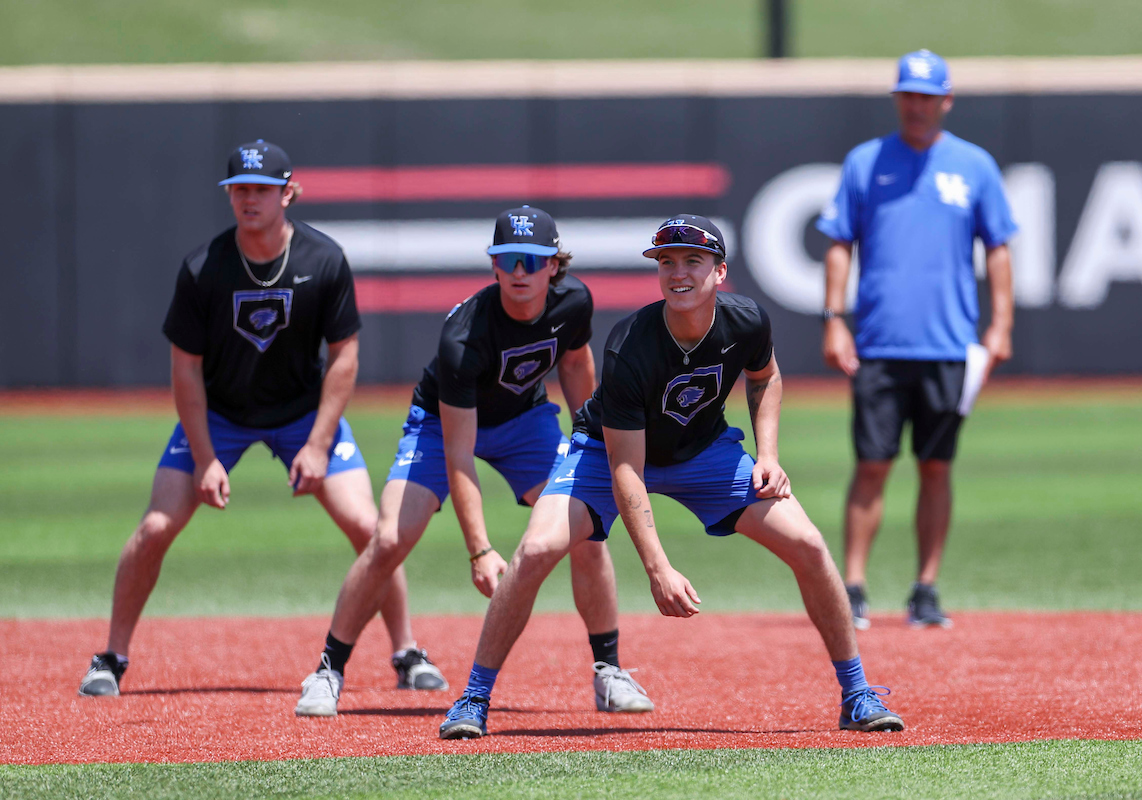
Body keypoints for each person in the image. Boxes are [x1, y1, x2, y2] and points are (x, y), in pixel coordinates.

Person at [439, 214, 903, 740]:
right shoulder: (629, 345)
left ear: (720, 270)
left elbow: (765, 374)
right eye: (666, 262)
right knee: (536, 551)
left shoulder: (746, 320)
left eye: (691, 261)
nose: (677, 273)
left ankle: (856, 693)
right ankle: (474, 698)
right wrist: (657, 567)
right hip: (604, 453)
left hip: (704, 452)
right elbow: (627, 471)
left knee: (811, 547)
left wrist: (768, 453)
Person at [77, 140, 431, 696]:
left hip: (302, 413)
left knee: (371, 527)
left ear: (288, 193)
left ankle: (407, 652)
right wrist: (205, 458)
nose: (249, 199)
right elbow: (185, 371)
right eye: (239, 189)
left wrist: (317, 445)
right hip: (221, 413)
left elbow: (344, 358)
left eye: (262, 189)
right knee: (154, 528)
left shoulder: (324, 260)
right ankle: (111, 657)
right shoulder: (203, 268)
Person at [294, 206, 654, 717]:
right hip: (441, 424)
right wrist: (480, 550)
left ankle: (608, 671)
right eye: (509, 260)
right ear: (493, 265)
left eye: (533, 260)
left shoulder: (574, 302)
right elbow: (459, 454)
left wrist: (588, 439)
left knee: (587, 532)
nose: (520, 272)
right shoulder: (463, 336)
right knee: (391, 537)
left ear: (554, 264)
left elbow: (575, 362)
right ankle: (328, 669)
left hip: (525, 419)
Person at [816, 50, 1016, 630]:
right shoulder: (866, 162)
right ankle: (851, 587)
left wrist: (1001, 323)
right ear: (897, 98)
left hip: (950, 344)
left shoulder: (973, 166)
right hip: (879, 341)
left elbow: (998, 247)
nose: (917, 106)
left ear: (946, 100)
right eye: (908, 95)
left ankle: (925, 588)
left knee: (935, 466)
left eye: (928, 96)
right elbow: (838, 242)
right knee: (871, 465)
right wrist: (834, 317)